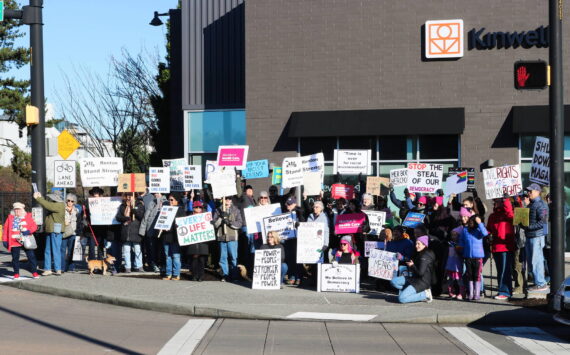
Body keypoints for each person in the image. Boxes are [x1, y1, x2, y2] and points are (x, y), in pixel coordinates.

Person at [390, 235, 435, 303]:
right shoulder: (419, 252)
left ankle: (425, 294)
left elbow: (420, 273)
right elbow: (412, 260)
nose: (416, 245)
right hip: (414, 278)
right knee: (393, 281)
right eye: (416, 243)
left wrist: (412, 266)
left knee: (402, 299)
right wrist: (403, 258)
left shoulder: (425, 255)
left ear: (424, 245)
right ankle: (409, 293)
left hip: (422, 282)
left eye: (418, 244)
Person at [487, 196, 515, 300]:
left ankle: (506, 292)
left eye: (497, 200)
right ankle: (501, 290)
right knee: (500, 271)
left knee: (505, 270)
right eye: (494, 201)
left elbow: (511, 215)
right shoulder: (492, 216)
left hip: (506, 246)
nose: (494, 202)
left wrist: (506, 200)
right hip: (496, 246)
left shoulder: (507, 214)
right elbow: (488, 229)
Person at [523, 183, 549, 292]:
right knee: (532, 261)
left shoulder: (541, 204)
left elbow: (543, 222)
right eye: (528, 191)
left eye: (530, 191)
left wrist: (529, 227)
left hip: (536, 237)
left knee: (536, 261)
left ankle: (541, 283)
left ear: (537, 192)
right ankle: (538, 283)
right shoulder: (531, 204)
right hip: (531, 236)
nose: (528, 193)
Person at [2, 202, 39, 279]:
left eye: (18, 209)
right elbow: (5, 230)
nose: (17, 211)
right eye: (15, 210)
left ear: (22, 210)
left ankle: (34, 272)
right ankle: (16, 273)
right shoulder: (10, 218)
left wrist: (28, 231)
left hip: (26, 240)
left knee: (31, 256)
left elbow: (34, 226)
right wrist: (4, 240)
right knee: (15, 258)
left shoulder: (28, 217)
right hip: (14, 241)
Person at [33, 191, 65, 276]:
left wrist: (39, 198)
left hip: (56, 230)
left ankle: (58, 269)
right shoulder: (56, 204)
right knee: (48, 250)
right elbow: (48, 205)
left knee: (56, 250)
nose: (51, 199)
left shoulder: (60, 205)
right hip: (50, 229)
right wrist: (41, 198)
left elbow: (48, 205)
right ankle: (47, 269)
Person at [457, 215, 488, 301]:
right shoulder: (465, 230)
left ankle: (477, 293)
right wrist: (460, 249)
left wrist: (480, 223)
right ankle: (471, 293)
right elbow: (462, 241)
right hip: (468, 256)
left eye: (472, 222)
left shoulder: (479, 230)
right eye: (469, 221)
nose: (470, 223)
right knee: (469, 275)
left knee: (476, 275)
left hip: (478, 257)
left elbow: (485, 233)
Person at [214, 196, 243, 282]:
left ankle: (234, 275)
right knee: (223, 258)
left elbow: (239, 223)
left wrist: (229, 223)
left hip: (232, 237)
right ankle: (225, 275)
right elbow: (215, 224)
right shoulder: (218, 210)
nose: (228, 200)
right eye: (226, 198)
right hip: (222, 237)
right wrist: (220, 218)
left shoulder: (236, 210)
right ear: (223, 199)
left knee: (233, 257)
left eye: (229, 199)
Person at [116, 193, 145, 273]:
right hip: (126, 231)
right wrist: (126, 218)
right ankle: (127, 267)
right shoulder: (122, 206)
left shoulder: (139, 205)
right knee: (126, 250)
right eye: (127, 196)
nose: (129, 197)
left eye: (131, 196)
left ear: (134, 197)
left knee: (137, 250)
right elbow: (118, 217)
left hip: (136, 231)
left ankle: (139, 266)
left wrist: (133, 209)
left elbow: (141, 216)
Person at [161, 193, 186, 280]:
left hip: (175, 237)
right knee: (167, 256)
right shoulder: (166, 209)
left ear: (176, 201)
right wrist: (162, 227)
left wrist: (172, 227)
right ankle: (168, 273)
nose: (170, 202)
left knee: (176, 256)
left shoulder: (180, 210)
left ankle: (176, 274)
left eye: (172, 200)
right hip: (166, 236)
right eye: (169, 200)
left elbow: (182, 224)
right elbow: (161, 221)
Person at [139, 192, 166, 272]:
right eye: (154, 193)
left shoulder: (166, 202)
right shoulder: (152, 202)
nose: (155, 194)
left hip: (162, 230)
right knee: (152, 249)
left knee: (161, 249)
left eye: (157, 192)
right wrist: (142, 230)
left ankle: (162, 264)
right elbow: (146, 217)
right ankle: (154, 264)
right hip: (151, 229)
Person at [283, 196, 304, 285]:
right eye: (287, 203)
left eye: (290, 204)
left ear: (294, 204)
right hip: (288, 239)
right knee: (290, 258)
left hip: (297, 238)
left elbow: (303, 222)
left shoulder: (299, 212)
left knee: (297, 258)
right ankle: (292, 276)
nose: (288, 205)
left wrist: (299, 223)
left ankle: (298, 277)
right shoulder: (285, 213)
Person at [186, 201, 210, 281]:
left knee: (202, 259)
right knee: (194, 259)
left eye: (200, 207)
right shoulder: (189, 217)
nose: (198, 209)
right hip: (193, 241)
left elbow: (210, 225)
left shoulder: (205, 217)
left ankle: (201, 276)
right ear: (193, 208)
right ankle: (194, 275)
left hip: (203, 241)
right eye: (196, 207)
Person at [61, 193, 81, 272]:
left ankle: (71, 267)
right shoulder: (62, 209)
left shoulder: (77, 210)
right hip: (64, 232)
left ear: (74, 202)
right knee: (62, 251)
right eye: (68, 200)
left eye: (72, 201)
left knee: (71, 251)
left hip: (73, 233)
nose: (70, 202)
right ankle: (62, 267)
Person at [445, 227, 463, 299]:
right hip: (450, 265)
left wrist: (457, 248)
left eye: (455, 235)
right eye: (452, 235)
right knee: (450, 280)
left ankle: (461, 293)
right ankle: (451, 292)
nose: (453, 236)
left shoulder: (460, 244)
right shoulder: (449, 244)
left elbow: (461, 254)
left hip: (457, 266)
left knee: (459, 280)